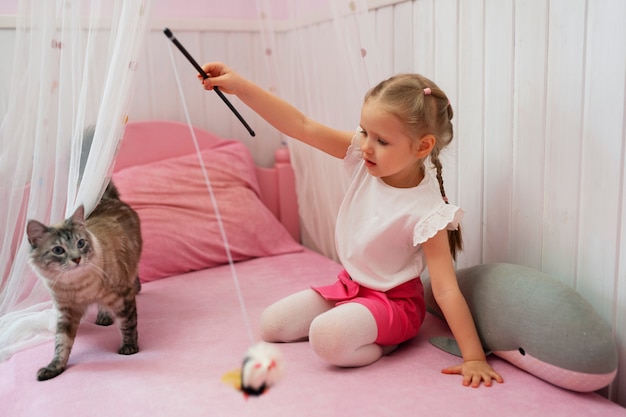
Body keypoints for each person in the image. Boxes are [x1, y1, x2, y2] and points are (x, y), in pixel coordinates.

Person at [199, 63, 503, 388]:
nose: (367, 145)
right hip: (351, 288)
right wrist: (240, 86)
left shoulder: (429, 211)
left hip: (394, 305)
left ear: (423, 147)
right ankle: (353, 321)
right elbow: (301, 125)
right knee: (271, 325)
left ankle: (385, 342)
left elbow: (444, 289)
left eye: (382, 140)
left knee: (325, 338)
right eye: (364, 132)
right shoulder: (363, 157)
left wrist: (473, 358)